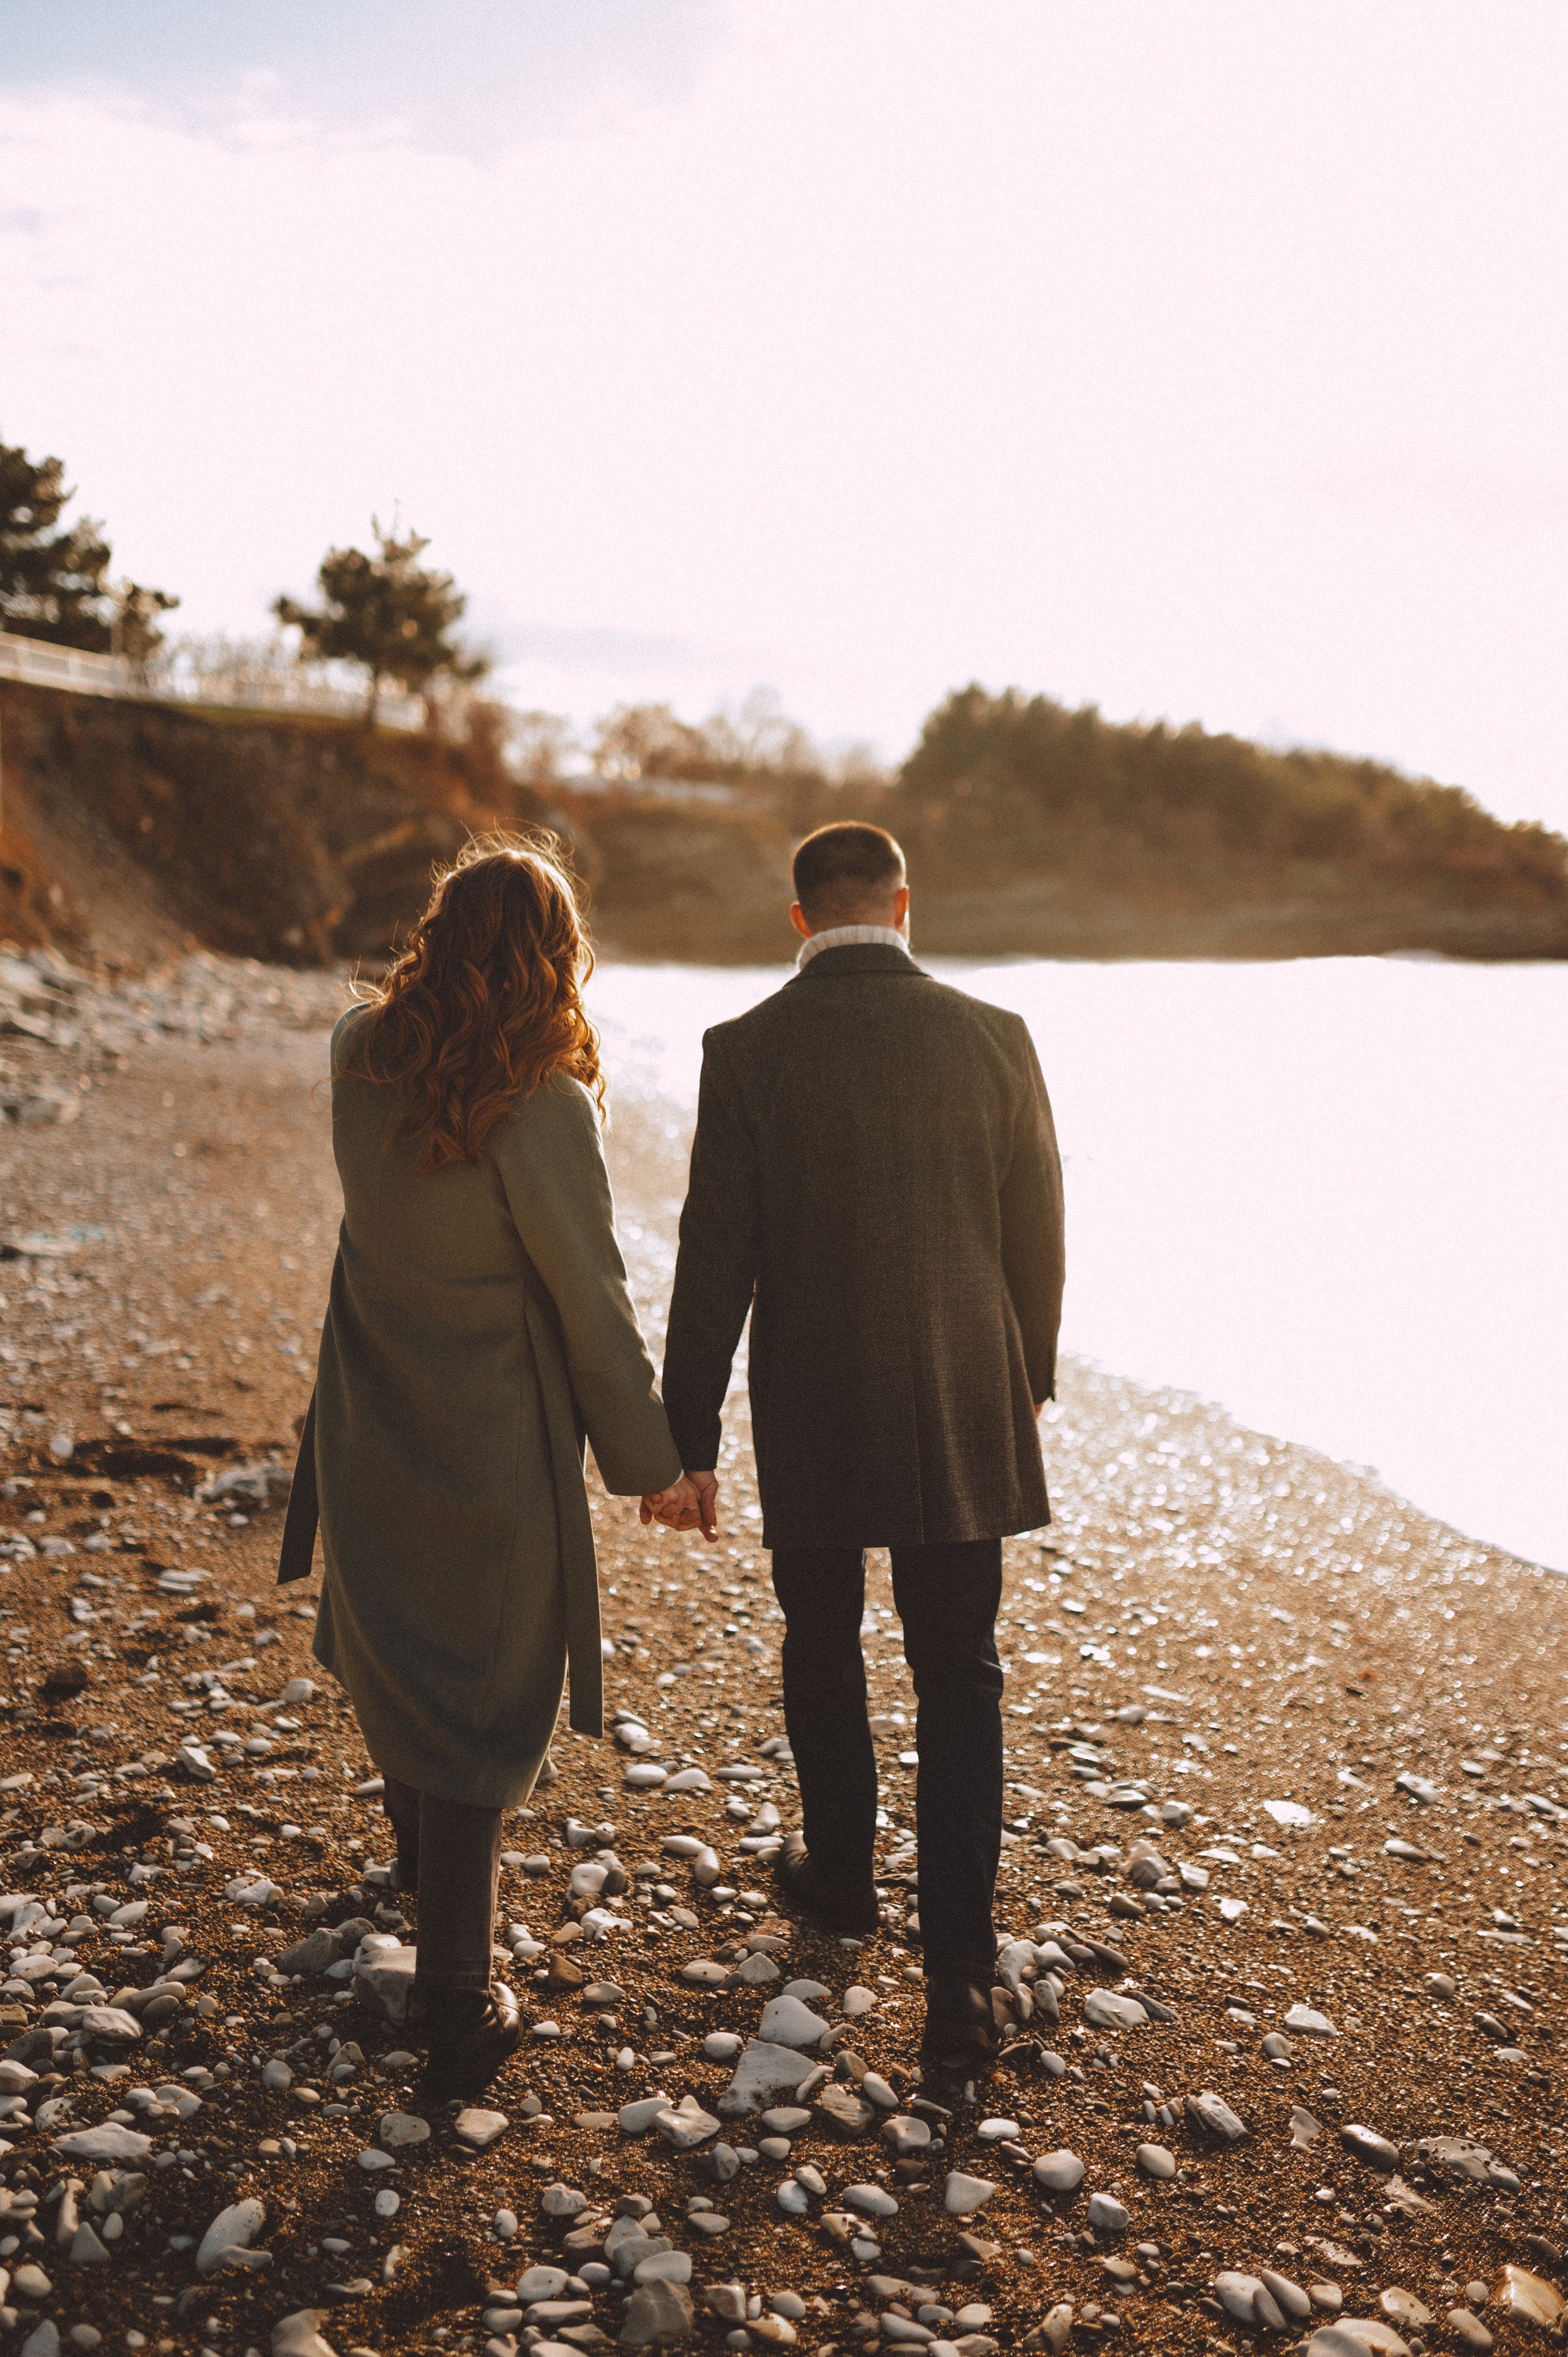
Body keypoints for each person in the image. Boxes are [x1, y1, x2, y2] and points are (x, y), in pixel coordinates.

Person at [278, 840, 715, 2095]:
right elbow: (591, 1299)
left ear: (435, 931)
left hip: (373, 1403)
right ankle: (456, 2005)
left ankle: (418, 1861)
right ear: (554, 960)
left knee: (393, 1635)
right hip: (488, 1433)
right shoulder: (542, 1104)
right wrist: (654, 1463)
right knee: (479, 1685)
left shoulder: (356, 1050)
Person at [660, 821, 1064, 2093]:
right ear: (904, 905)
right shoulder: (994, 1034)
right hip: (958, 1391)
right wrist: (1025, 1377)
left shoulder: (746, 1050)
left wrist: (687, 1436)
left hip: (813, 1395)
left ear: (799, 920)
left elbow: (713, 1253)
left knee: (818, 1635)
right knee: (961, 1674)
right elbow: (1037, 1231)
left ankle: (839, 1879)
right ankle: (956, 1980)